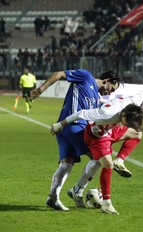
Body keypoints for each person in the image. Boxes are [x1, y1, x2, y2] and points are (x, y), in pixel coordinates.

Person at [29, 69, 125, 211]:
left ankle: (53, 197)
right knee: (103, 159)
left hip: (62, 129)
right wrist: (40, 89)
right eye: (112, 88)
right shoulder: (85, 76)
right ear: (106, 80)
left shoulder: (96, 99)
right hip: (75, 127)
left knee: (66, 164)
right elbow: (59, 74)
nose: (110, 93)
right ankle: (78, 190)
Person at [51, 91, 143, 214]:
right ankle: (106, 204)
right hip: (97, 135)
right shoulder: (105, 114)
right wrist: (60, 124)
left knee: (137, 133)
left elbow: (141, 94)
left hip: (111, 130)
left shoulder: (132, 104)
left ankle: (119, 160)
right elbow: (80, 113)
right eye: (128, 123)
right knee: (107, 164)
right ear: (123, 116)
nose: (129, 125)